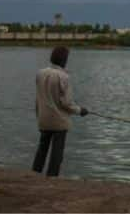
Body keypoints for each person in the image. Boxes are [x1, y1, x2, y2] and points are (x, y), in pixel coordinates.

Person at [32, 46, 88, 177]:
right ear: (63, 60)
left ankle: (34, 174)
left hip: (43, 118)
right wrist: (80, 110)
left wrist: (38, 115)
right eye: (66, 58)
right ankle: (52, 176)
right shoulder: (63, 77)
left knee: (42, 148)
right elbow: (66, 103)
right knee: (57, 152)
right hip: (59, 121)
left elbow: (38, 98)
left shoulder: (40, 73)